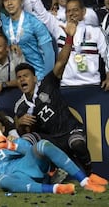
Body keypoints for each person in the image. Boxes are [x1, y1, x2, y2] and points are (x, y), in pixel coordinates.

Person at [14, 19, 99, 176]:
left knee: (78, 144)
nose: (22, 80)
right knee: (26, 140)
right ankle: (36, 174)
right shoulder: (20, 105)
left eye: (26, 76)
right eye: (19, 77)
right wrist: (20, 124)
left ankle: (89, 173)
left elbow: (61, 62)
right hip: (51, 140)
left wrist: (69, 39)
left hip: (70, 130)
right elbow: (21, 131)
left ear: (34, 78)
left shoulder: (48, 83)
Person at [26, 0, 109, 88]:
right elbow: (42, 14)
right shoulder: (59, 28)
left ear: (83, 12)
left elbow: (107, 55)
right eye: (68, 11)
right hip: (66, 85)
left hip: (92, 84)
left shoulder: (96, 32)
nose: (72, 13)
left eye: (75, 10)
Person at [1, 0, 55, 81]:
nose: (9, 3)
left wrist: (46, 80)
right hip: (16, 77)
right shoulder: (4, 23)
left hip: (37, 76)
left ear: (21, 1)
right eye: (6, 0)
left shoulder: (34, 23)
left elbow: (49, 53)